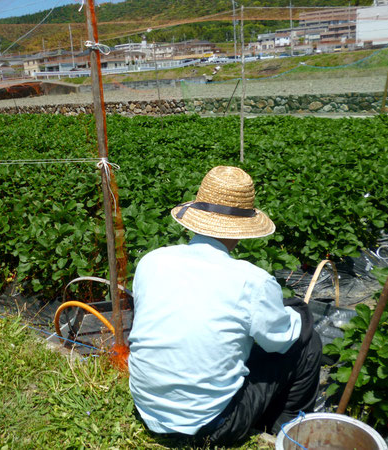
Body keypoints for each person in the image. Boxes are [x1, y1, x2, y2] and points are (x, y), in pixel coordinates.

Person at [128, 166, 322, 447]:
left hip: (147, 408)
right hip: (210, 427)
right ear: (242, 231)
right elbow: (281, 341)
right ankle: (286, 429)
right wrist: (299, 313)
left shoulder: (152, 261)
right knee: (309, 343)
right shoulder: (252, 281)